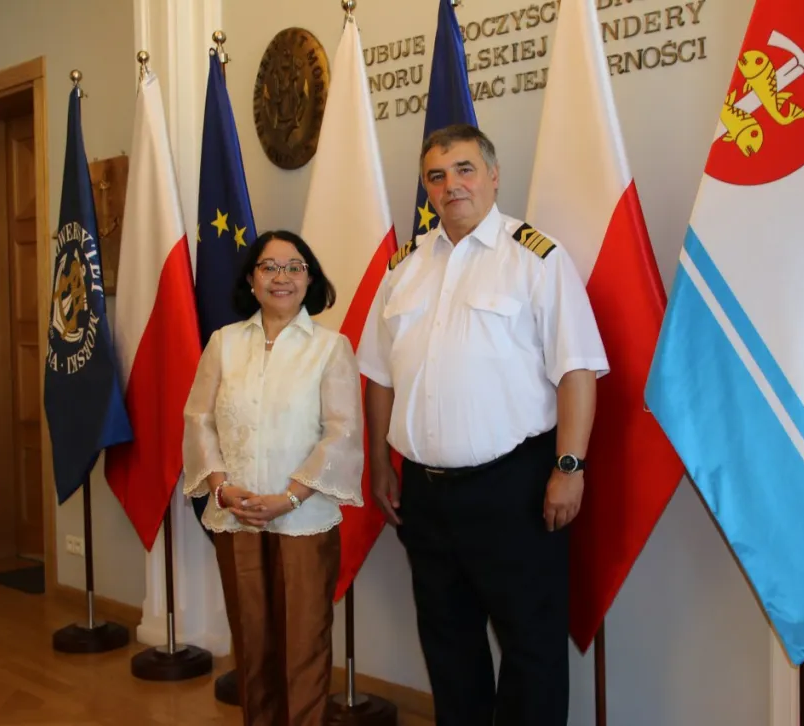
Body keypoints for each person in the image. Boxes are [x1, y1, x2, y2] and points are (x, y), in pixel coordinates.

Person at [357, 124, 610, 726]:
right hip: (425, 493)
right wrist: (379, 462)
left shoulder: (536, 259)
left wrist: (570, 467)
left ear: (493, 176)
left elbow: (577, 369)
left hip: (515, 488)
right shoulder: (403, 268)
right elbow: (379, 375)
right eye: (437, 176)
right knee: (448, 647)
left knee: (531, 648)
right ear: (427, 188)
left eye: (465, 170)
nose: (452, 185)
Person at [182, 230, 364, 726]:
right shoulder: (223, 343)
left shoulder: (330, 348)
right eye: (269, 266)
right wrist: (221, 488)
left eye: (294, 267)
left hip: (304, 519)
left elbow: (343, 433)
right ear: (251, 278)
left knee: (304, 644)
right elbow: (199, 420)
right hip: (236, 517)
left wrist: (290, 497)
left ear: (310, 278)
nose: (281, 277)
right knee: (252, 640)